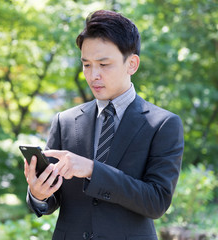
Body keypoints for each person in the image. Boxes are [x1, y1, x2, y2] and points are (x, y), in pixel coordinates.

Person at [23, 9, 184, 240]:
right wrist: (39, 194)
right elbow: (52, 200)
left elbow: (156, 202)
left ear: (132, 64)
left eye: (104, 64)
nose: (93, 75)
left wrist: (92, 169)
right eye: (86, 64)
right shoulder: (65, 121)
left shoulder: (162, 124)